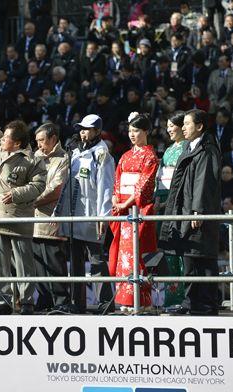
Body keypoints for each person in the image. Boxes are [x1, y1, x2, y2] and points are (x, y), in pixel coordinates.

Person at [0, 87, 46, 315]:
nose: (2, 138)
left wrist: (16, 194)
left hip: (19, 217)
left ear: (17, 143)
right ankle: (3, 300)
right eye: (4, 135)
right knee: (0, 262)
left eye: (7, 137)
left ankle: (27, 301)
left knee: (24, 261)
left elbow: (39, 186)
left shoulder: (33, 160)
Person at [159, 109, 222, 316]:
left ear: (200, 126)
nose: (183, 128)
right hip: (184, 209)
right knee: (189, 258)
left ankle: (203, 305)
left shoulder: (207, 149)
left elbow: (203, 182)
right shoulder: (189, 147)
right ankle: (190, 303)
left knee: (201, 258)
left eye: (187, 124)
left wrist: (198, 210)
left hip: (196, 213)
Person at [58, 114, 115, 313]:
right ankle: (78, 303)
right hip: (75, 214)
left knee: (97, 259)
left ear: (98, 131)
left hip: (92, 215)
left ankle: (105, 303)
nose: (83, 132)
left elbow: (106, 186)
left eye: (87, 129)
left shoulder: (101, 153)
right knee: (75, 262)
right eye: (81, 128)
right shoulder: (75, 152)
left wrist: (103, 216)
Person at [109, 112, 158, 313]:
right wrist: (115, 198)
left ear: (145, 131)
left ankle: (141, 300)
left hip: (138, 211)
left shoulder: (150, 157)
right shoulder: (125, 156)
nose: (132, 134)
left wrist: (126, 203)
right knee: (124, 256)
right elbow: (118, 181)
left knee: (136, 255)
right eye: (130, 131)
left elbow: (143, 186)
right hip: (123, 209)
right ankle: (126, 300)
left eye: (136, 130)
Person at [32, 123, 70, 310]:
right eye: (37, 141)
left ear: (53, 138)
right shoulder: (34, 157)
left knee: (54, 262)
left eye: (41, 140)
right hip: (33, 220)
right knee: (38, 264)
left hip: (52, 219)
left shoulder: (63, 158)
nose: (38, 145)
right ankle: (44, 299)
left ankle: (61, 301)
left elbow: (56, 188)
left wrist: (31, 201)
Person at [154, 111, 187, 307]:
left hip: (176, 203)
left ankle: (181, 297)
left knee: (178, 251)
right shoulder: (167, 150)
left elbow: (181, 179)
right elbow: (160, 178)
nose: (168, 130)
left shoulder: (186, 148)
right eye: (167, 126)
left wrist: (169, 202)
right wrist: (158, 199)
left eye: (172, 126)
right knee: (166, 252)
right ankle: (170, 297)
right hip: (163, 203)